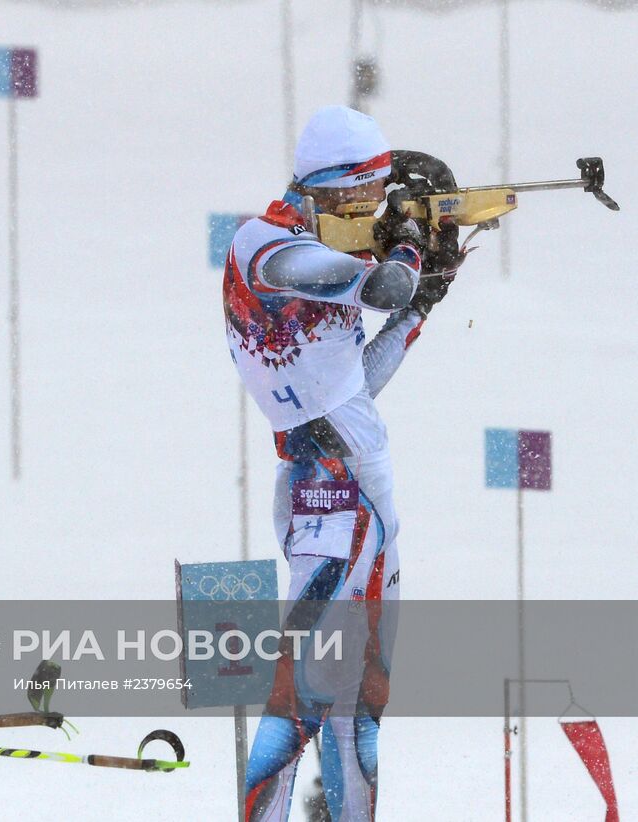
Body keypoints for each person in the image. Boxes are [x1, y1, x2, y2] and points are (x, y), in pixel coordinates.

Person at [223, 106, 464, 821]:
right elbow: (382, 284)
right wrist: (411, 245)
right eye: (369, 193)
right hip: (332, 494)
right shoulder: (267, 248)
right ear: (329, 187)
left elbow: (353, 384)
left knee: (361, 700)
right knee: (298, 696)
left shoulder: (325, 263)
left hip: (354, 487)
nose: (376, 207)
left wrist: (425, 302)